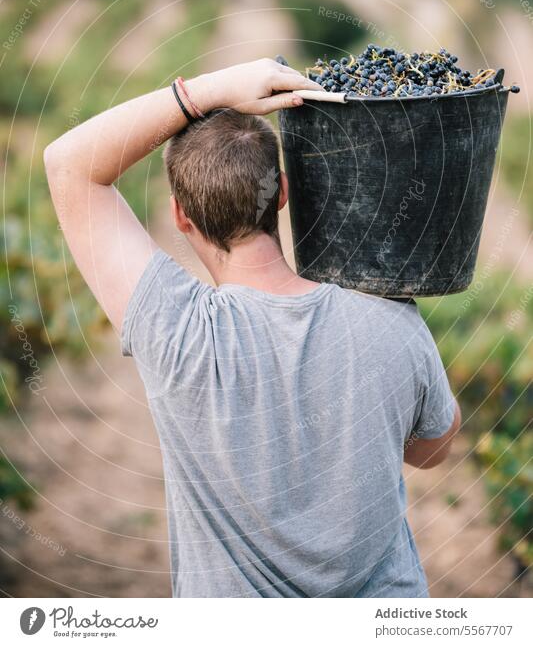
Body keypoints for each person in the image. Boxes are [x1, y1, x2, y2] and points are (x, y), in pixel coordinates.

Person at [44, 58, 461, 598]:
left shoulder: (176, 333)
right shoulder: (391, 317)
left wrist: (211, 89)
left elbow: (69, 164)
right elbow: (433, 449)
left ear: (180, 216)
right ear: (283, 192)